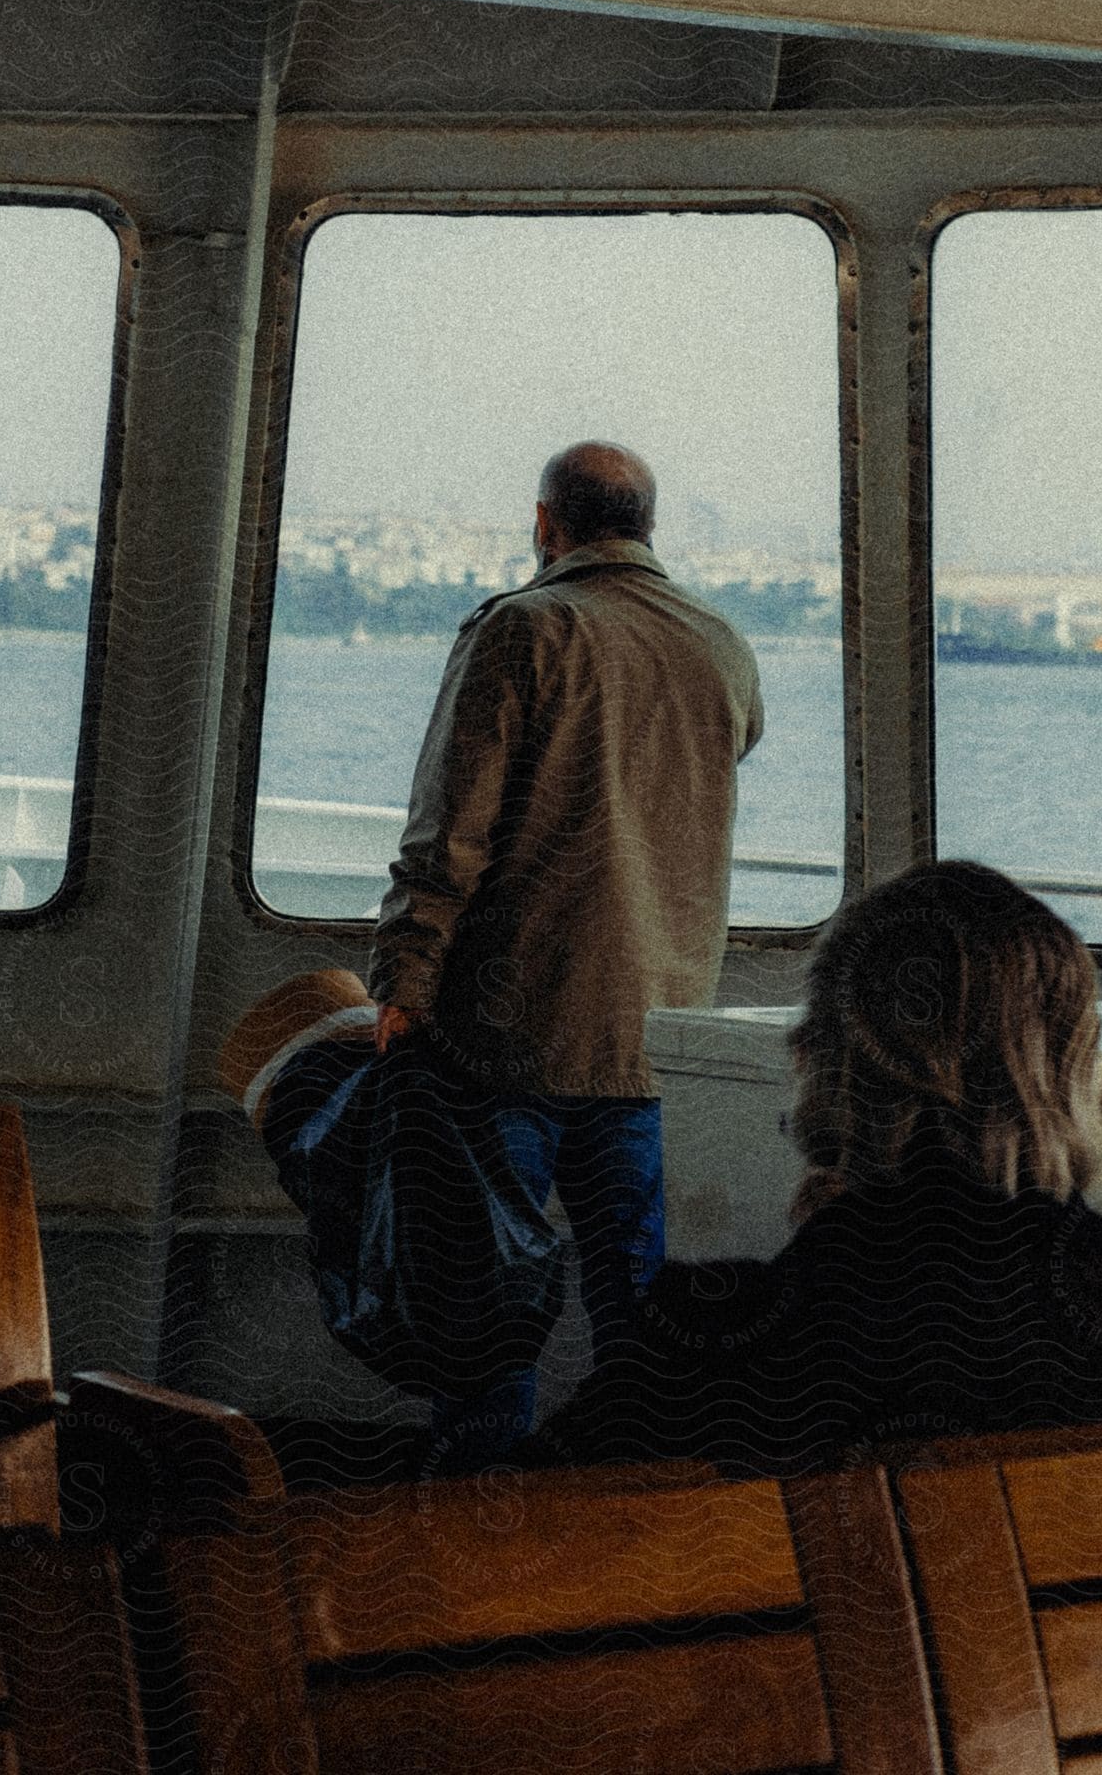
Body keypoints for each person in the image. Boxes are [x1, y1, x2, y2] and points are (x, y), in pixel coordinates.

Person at [545, 860, 1102, 1472]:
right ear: (1067, 1073)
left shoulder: (712, 1336)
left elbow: (500, 1532)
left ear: (822, 1059)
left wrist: (831, 1243)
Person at [365, 441, 764, 1469]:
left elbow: (448, 833)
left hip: (510, 1033)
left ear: (548, 525)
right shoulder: (720, 644)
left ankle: (479, 1524)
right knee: (636, 1303)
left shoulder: (523, 630)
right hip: (653, 1037)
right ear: (648, 525)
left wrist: (403, 984)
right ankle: (631, 1527)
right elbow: (731, 748)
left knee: (486, 1303)